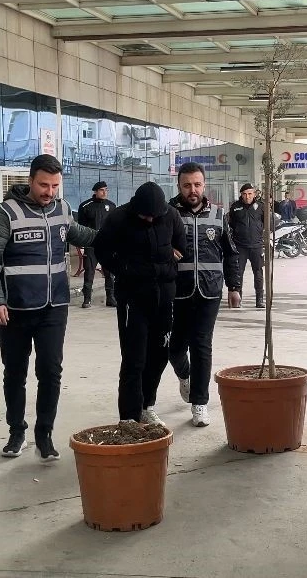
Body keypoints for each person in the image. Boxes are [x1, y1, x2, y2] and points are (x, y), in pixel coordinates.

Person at [0, 154, 96, 461]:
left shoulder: (62, 209)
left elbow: (81, 234)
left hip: (54, 307)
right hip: (14, 309)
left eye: (55, 186)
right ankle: (17, 433)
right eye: (44, 185)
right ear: (30, 180)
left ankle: (45, 436)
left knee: (50, 372)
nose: (49, 192)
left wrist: (119, 232)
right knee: (15, 373)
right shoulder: (6, 212)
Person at [93, 182, 186, 426]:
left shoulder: (171, 215)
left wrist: (168, 260)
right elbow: (102, 249)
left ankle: (146, 405)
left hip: (164, 297)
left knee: (159, 355)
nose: (150, 219)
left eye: (154, 216)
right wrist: (123, 268)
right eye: (145, 216)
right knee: (134, 359)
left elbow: (181, 246)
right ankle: (129, 416)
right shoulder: (119, 218)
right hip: (132, 299)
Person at [163, 163, 242, 427]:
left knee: (201, 345)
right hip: (178, 292)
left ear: (204, 185)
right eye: (187, 185)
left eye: (197, 184)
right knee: (174, 348)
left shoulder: (219, 215)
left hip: (210, 291)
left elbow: (231, 253)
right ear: (179, 186)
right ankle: (185, 375)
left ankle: (199, 403)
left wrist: (234, 287)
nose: (192, 190)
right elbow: (155, 247)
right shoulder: (168, 213)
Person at [76, 180, 116, 308]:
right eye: (102, 190)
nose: (104, 192)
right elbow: (81, 227)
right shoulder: (85, 206)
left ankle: (111, 298)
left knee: (109, 272)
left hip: (107, 244)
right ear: (96, 191)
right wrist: (82, 244)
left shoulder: (111, 206)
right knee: (89, 271)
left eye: (106, 190)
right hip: (91, 244)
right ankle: (87, 298)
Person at [228, 183, 266, 307]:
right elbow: (231, 224)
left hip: (256, 245)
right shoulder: (235, 207)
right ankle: (238, 299)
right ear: (241, 194)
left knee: (258, 273)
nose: (247, 196)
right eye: (244, 194)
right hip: (240, 246)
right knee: (238, 273)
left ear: (254, 194)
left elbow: (267, 223)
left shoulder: (261, 207)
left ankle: (259, 299)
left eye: (250, 194)